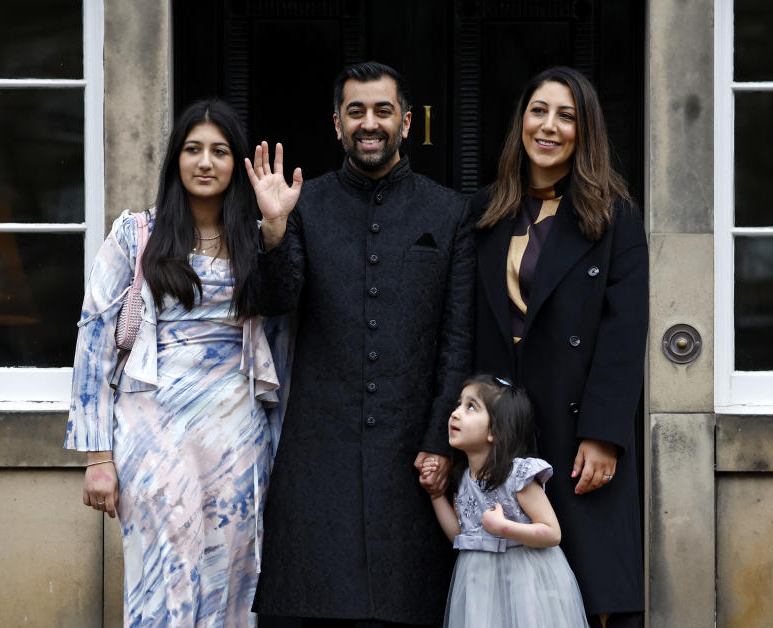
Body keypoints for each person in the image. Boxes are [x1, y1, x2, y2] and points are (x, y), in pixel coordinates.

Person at [245, 61, 475, 626]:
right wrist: (273, 230)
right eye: (356, 111)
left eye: (382, 110)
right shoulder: (306, 206)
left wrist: (439, 444)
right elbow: (276, 300)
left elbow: (458, 338)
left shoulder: (449, 212)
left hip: (412, 457)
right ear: (336, 123)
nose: (368, 123)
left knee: (409, 609)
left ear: (405, 121)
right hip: (317, 454)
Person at [65, 99, 285, 627]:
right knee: (162, 571)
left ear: (237, 164)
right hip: (152, 427)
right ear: (175, 160)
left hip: (237, 432)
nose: (205, 162)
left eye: (219, 151)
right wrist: (98, 457)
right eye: (192, 150)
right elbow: (93, 343)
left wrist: (276, 231)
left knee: (233, 576)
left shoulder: (256, 239)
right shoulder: (135, 234)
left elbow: (288, 321)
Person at [471, 67, 648, 627]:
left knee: (588, 594)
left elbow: (625, 332)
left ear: (584, 131)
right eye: (538, 111)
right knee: (506, 597)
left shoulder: (614, 216)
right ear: (521, 122)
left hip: (578, 437)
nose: (549, 127)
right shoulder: (481, 213)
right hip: (507, 433)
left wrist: (604, 434)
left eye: (566, 115)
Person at [420, 375, 589, 628]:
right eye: (458, 404)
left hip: (525, 580)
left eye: (471, 407)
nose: (455, 413)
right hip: (480, 583)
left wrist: (503, 528)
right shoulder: (464, 479)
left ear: (496, 431)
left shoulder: (518, 477)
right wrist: (435, 496)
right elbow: (461, 534)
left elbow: (552, 533)